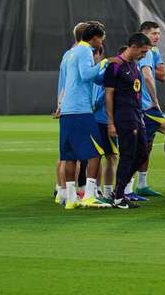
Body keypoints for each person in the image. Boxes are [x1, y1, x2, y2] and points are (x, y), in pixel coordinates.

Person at [58, 22, 113, 209]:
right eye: (101, 39)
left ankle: (71, 199)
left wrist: (105, 73)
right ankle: (90, 195)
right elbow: (86, 75)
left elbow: (67, 81)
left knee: (70, 155)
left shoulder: (69, 53)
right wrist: (105, 63)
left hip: (67, 110)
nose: (101, 43)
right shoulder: (85, 51)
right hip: (81, 109)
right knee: (97, 152)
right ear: (95, 38)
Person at [104, 33, 153, 209]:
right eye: (143, 51)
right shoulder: (115, 66)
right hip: (124, 116)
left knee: (142, 154)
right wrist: (111, 122)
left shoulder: (135, 64)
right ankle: (118, 196)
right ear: (133, 47)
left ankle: (120, 190)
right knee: (127, 155)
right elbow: (108, 95)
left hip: (137, 115)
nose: (144, 55)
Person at [135, 20, 165, 197]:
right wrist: (155, 100)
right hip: (147, 106)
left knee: (146, 146)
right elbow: (147, 76)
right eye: (154, 33)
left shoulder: (152, 51)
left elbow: (161, 75)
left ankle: (142, 184)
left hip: (143, 106)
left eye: (158, 33)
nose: (157, 37)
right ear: (144, 34)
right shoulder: (146, 52)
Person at [53, 21, 89, 205]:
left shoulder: (67, 54)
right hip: (77, 107)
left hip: (65, 105)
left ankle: (62, 191)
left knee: (65, 154)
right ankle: (77, 193)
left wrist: (60, 103)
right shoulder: (81, 54)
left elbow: (64, 83)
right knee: (77, 155)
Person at [91, 47, 116, 204]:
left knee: (98, 156)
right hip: (102, 119)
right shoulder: (105, 69)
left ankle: (96, 190)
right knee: (110, 157)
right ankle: (105, 191)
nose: (92, 57)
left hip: (94, 118)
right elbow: (105, 94)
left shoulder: (91, 71)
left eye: (94, 54)